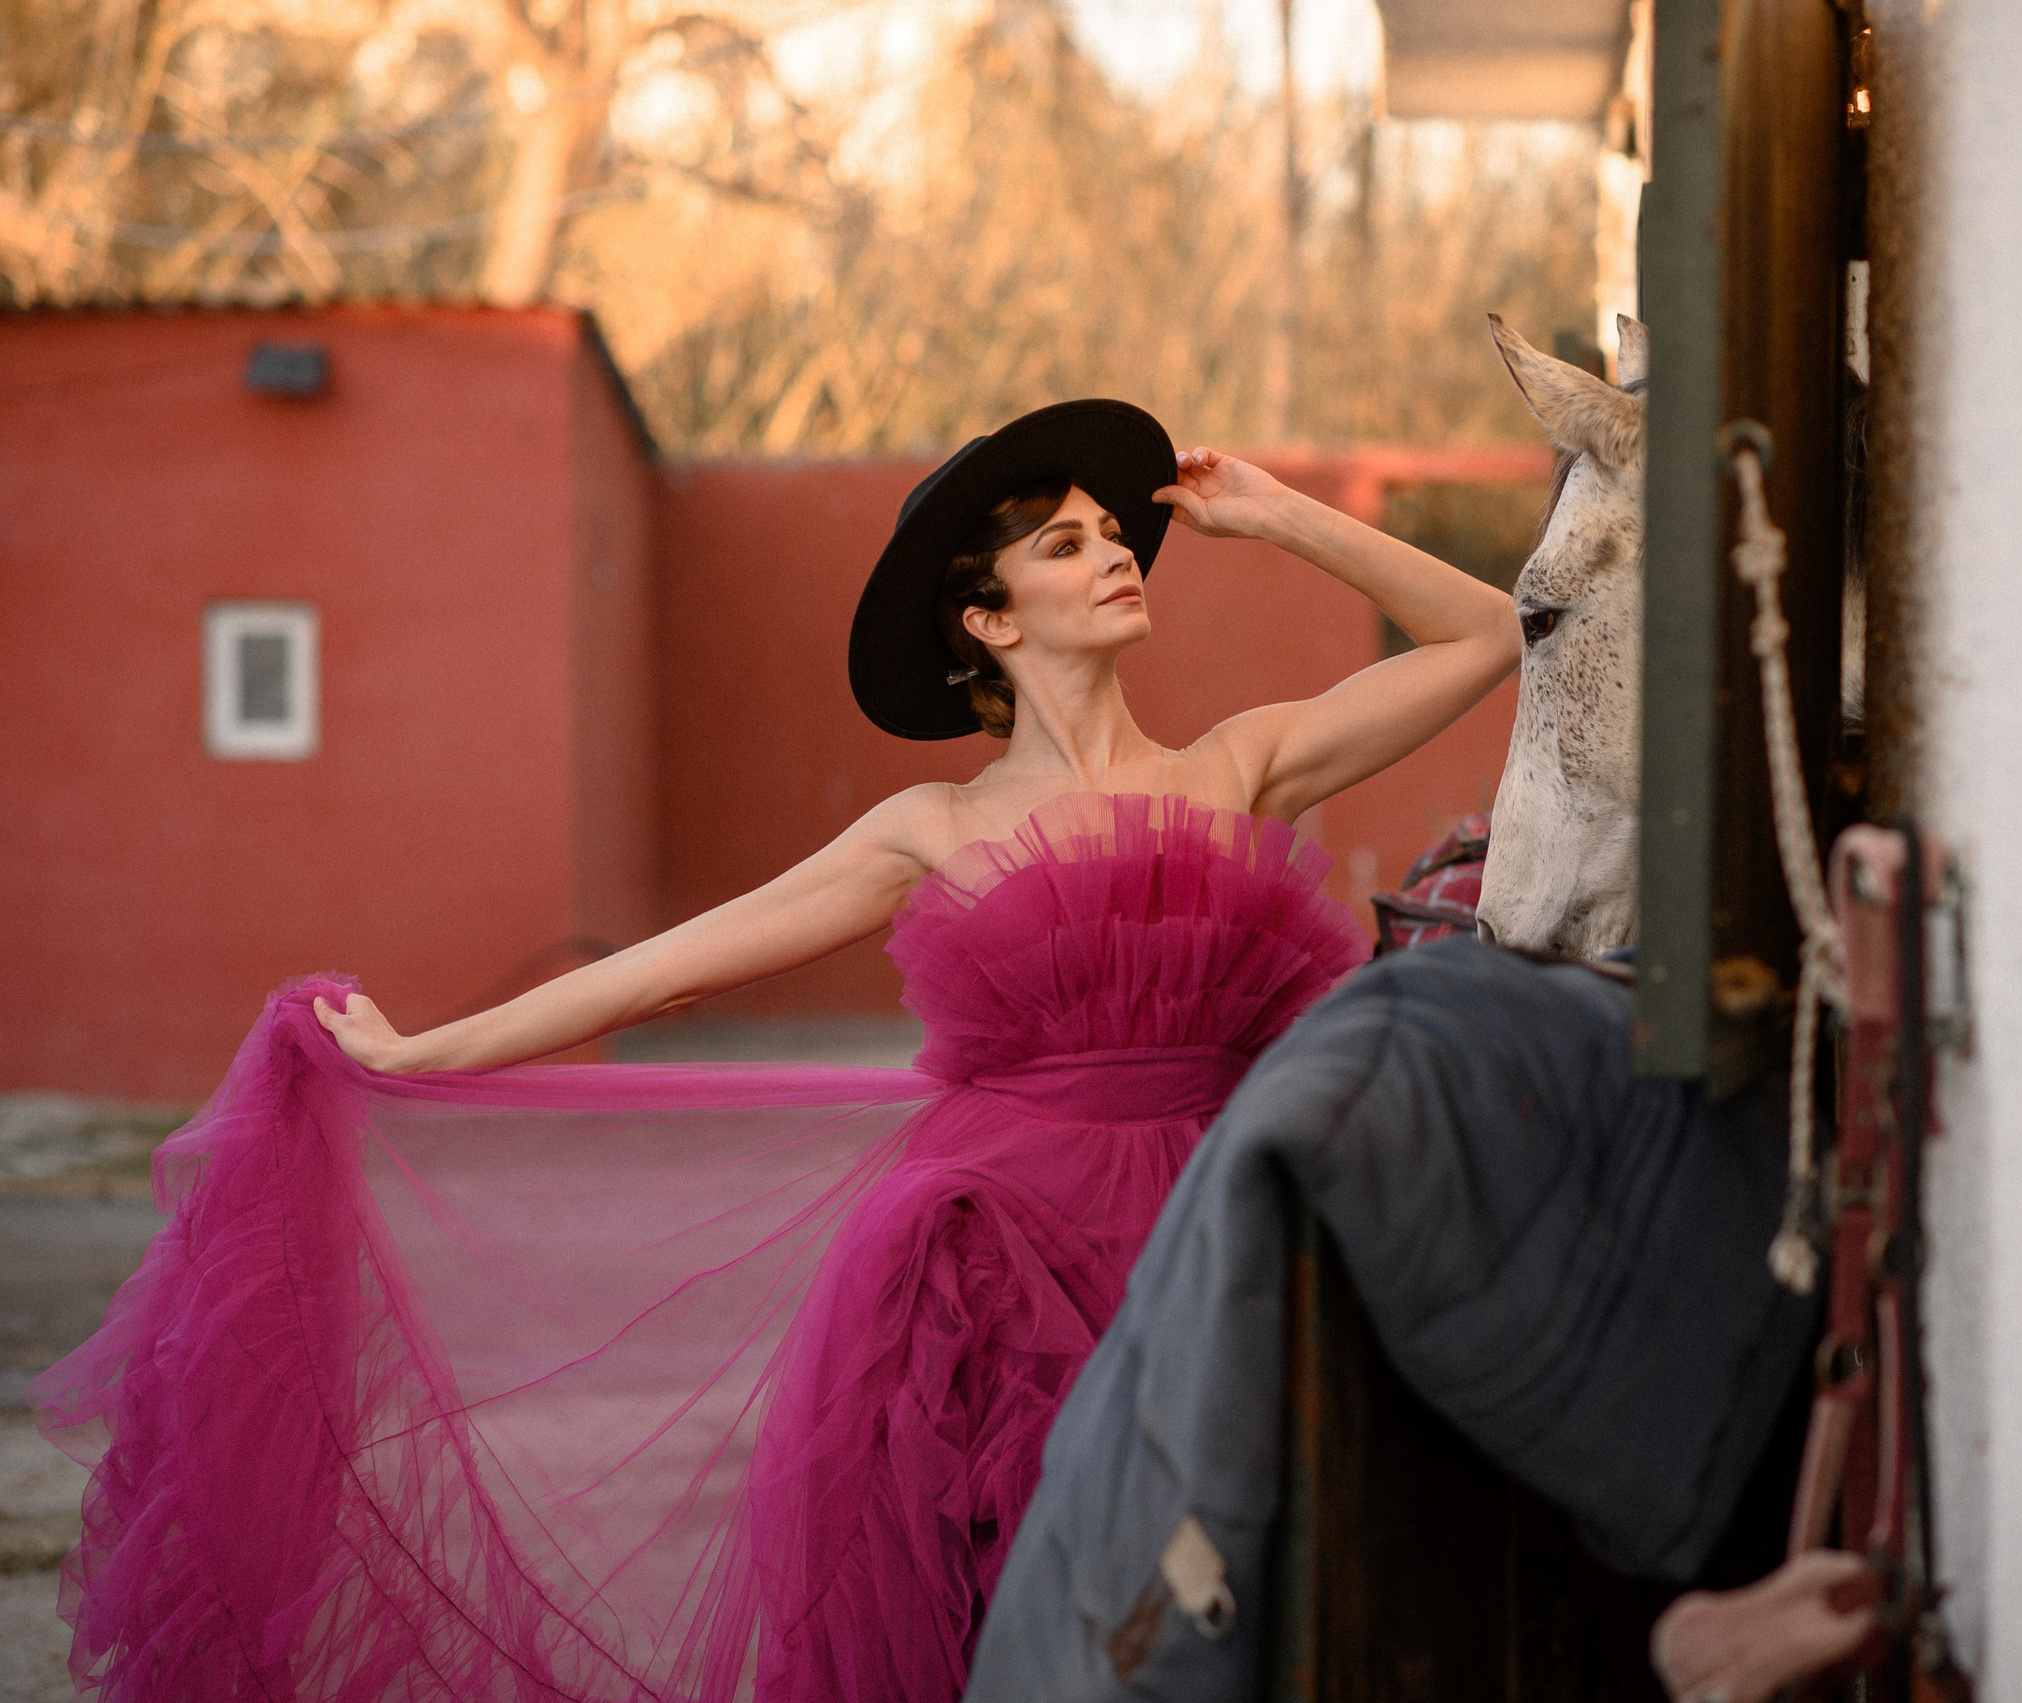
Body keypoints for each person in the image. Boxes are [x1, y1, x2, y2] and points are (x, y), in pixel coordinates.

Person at [32, 399, 1516, 1702]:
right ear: (988, 621)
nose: (1115, 548)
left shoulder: (1234, 764)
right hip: (1001, 1269)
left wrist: (1285, 517)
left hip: (1223, 1230)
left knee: (1250, 1574)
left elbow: (1490, 635)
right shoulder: (929, 830)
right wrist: (434, 1055)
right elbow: (675, 969)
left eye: (1109, 529)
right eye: (1063, 544)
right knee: (1024, 1601)